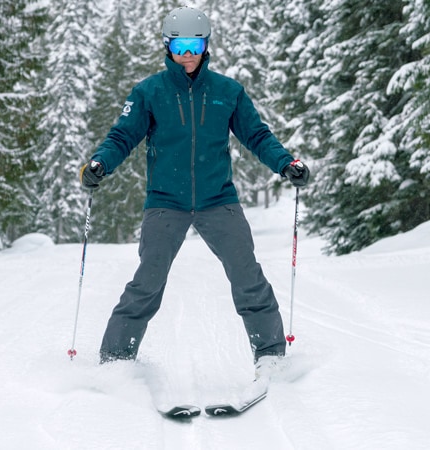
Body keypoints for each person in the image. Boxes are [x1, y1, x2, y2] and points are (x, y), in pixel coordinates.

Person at [80, 6, 310, 371]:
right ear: (168, 46)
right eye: (180, 44)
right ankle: (116, 362)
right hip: (165, 202)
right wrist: (99, 164)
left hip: (218, 199)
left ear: (206, 45)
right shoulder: (149, 92)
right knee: (147, 283)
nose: (187, 52)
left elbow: (257, 135)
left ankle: (270, 357)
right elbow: (122, 136)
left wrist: (286, 163)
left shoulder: (227, 91)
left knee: (248, 278)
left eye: (195, 43)